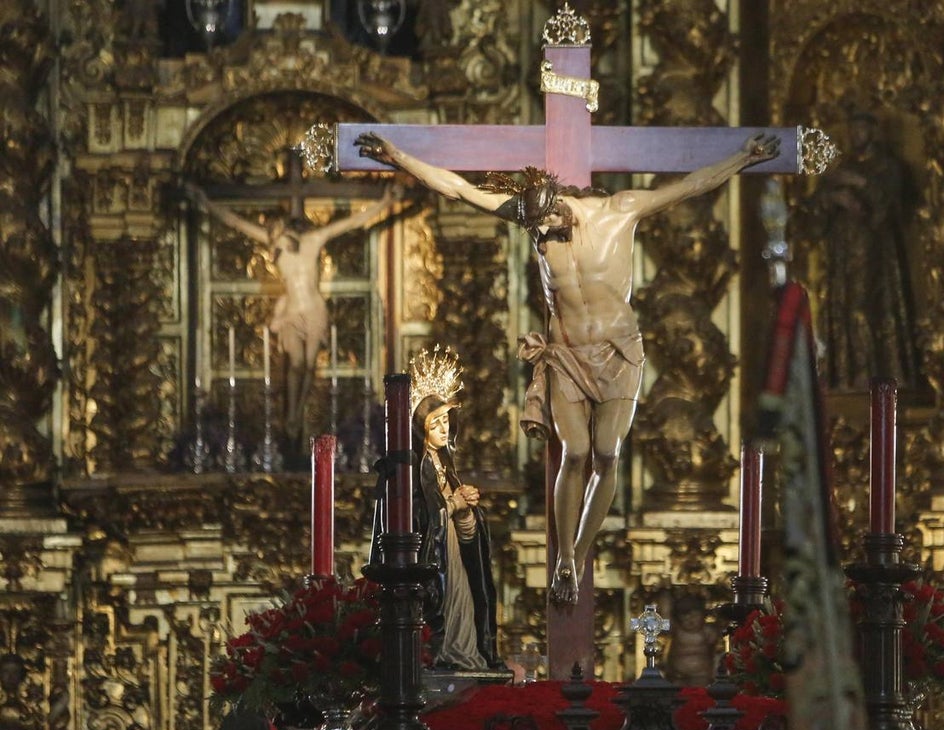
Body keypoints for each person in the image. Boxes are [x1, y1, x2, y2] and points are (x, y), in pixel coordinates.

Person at [354, 130, 779, 605]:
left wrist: (743, 158)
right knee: (574, 452)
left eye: (547, 226)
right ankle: (566, 560)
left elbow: (691, 187)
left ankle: (579, 548)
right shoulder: (530, 217)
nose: (541, 235)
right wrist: (397, 156)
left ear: (559, 203)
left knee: (607, 452)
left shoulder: (620, 211)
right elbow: (456, 187)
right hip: (567, 354)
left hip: (617, 350)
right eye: (533, 230)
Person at [186, 183, 398, 448]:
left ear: (284, 228)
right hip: (292, 313)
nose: (272, 243)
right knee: (296, 364)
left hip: (314, 310)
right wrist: (205, 201)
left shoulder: (314, 240)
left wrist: (385, 202)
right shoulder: (277, 247)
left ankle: (295, 414)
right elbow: (236, 222)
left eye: (275, 234)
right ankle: (292, 415)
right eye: (271, 237)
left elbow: (352, 223)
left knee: (307, 365)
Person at [805, 111, 921, 391]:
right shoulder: (840, 168)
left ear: (872, 131)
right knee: (843, 309)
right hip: (842, 252)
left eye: (861, 129)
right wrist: (834, 198)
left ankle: (874, 373)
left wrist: (859, 185)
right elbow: (813, 211)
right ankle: (845, 374)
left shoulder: (885, 166)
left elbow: (891, 205)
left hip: (874, 254)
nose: (856, 134)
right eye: (852, 129)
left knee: (866, 309)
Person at [411, 377, 500, 670]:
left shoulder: (447, 465)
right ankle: (446, 652)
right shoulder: (419, 468)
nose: (443, 429)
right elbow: (420, 522)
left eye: (446, 421)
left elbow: (463, 528)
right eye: (435, 424)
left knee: (468, 602)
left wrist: (466, 511)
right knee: (450, 608)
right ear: (422, 430)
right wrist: (453, 505)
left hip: (454, 558)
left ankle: (465, 652)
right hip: (438, 560)